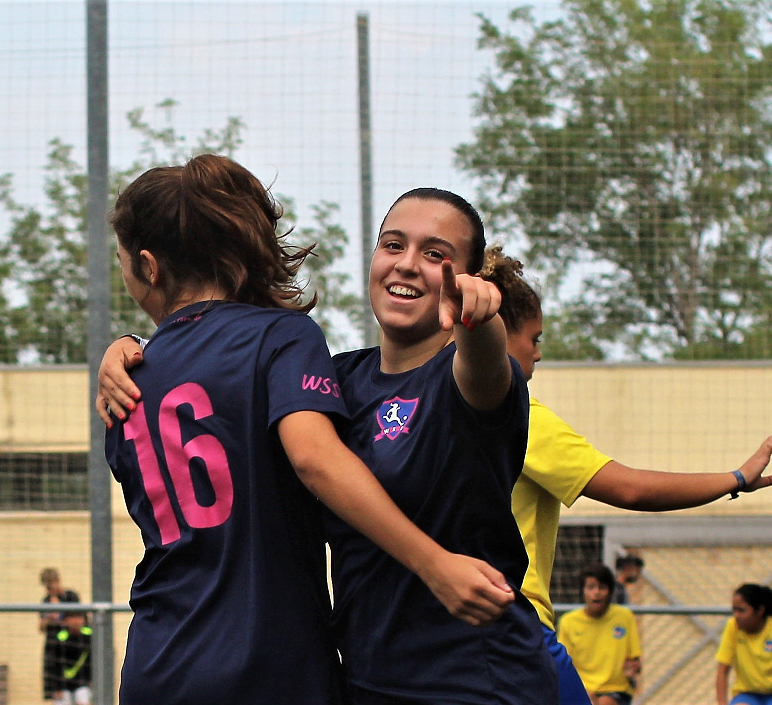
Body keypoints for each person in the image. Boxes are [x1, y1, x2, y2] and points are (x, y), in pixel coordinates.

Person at [98, 186, 559, 704]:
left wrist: (481, 321)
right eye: (392, 245)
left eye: (436, 255)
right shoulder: (339, 378)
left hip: (472, 679)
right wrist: (137, 349)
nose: (407, 264)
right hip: (363, 681)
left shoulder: (472, 385)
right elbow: (225, 380)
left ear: (468, 277)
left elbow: (487, 364)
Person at [478, 245, 772, 705]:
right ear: (498, 334)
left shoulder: (434, 407)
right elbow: (629, 487)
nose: (540, 353)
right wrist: (737, 478)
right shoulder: (519, 414)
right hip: (512, 622)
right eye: (536, 337)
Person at [558, 564, 641, 705]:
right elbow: (564, 663)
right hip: (581, 688)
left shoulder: (624, 617)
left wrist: (633, 668)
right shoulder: (568, 621)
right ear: (582, 592)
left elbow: (634, 659)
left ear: (610, 592)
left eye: (602, 587)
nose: (596, 592)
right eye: (591, 587)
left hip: (615, 689)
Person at [715, 583, 772, 705]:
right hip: (747, 695)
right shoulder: (732, 627)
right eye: (734, 610)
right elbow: (722, 671)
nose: (736, 616)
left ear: (760, 610)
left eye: (741, 610)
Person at [39, 568, 80, 701]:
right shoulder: (46, 601)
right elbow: (41, 626)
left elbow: (77, 623)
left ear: (57, 581)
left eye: (50, 586)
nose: (48, 590)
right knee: (61, 699)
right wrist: (50, 617)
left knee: (80, 695)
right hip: (54, 655)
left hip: (73, 651)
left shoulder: (70, 597)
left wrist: (59, 615)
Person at [47, 612, 92, 705]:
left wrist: (92, 681)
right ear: (65, 621)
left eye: (79, 617)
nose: (75, 621)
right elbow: (54, 664)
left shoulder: (90, 636)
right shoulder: (60, 638)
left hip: (84, 682)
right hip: (63, 684)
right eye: (71, 618)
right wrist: (57, 687)